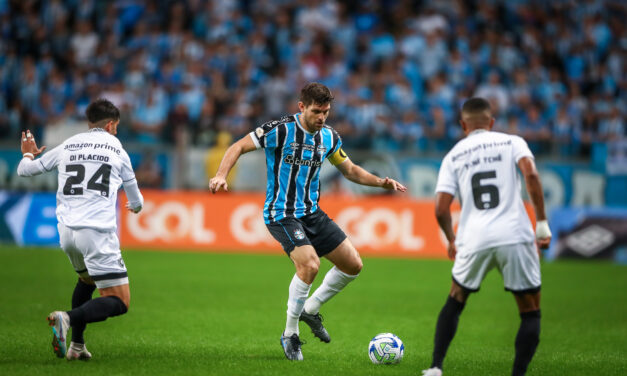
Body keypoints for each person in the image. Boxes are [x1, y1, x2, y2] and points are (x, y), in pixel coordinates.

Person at [209, 82, 407, 361]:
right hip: (281, 213)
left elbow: (349, 170)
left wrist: (381, 183)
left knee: (353, 265)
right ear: (302, 107)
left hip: (312, 212)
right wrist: (221, 175)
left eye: (326, 112)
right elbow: (238, 146)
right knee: (310, 264)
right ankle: (290, 334)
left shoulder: (328, 137)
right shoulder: (280, 129)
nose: (322, 117)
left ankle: (310, 310)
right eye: (317, 111)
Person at [421, 97, 552, 376]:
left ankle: (435, 367)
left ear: (463, 125)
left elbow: (441, 208)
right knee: (530, 309)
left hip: (474, 236)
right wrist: (541, 222)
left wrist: (451, 239)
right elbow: (531, 175)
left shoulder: (454, 155)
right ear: (491, 123)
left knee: (456, 297)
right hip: (515, 233)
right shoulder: (512, 142)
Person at [17, 99, 144, 360]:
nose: (116, 131)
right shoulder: (117, 149)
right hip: (96, 232)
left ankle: (76, 346)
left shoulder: (69, 144)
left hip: (66, 233)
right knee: (120, 301)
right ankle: (66, 318)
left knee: (86, 281)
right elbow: (136, 199)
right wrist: (136, 207)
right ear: (110, 125)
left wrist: (29, 153)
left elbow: (24, 170)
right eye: (116, 126)